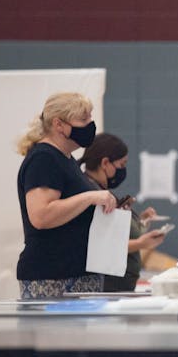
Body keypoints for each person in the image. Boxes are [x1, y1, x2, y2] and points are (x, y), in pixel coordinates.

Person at [15, 92, 117, 299]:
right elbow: (41, 216)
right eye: (83, 119)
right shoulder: (44, 159)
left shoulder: (66, 159)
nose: (90, 124)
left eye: (90, 117)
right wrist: (90, 198)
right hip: (53, 276)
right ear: (58, 125)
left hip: (77, 274)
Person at [80, 133, 166, 291]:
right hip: (109, 283)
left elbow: (116, 232)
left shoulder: (101, 192)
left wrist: (141, 221)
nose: (123, 170)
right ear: (105, 163)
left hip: (119, 281)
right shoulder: (95, 195)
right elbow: (103, 245)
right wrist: (141, 244)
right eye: (122, 164)